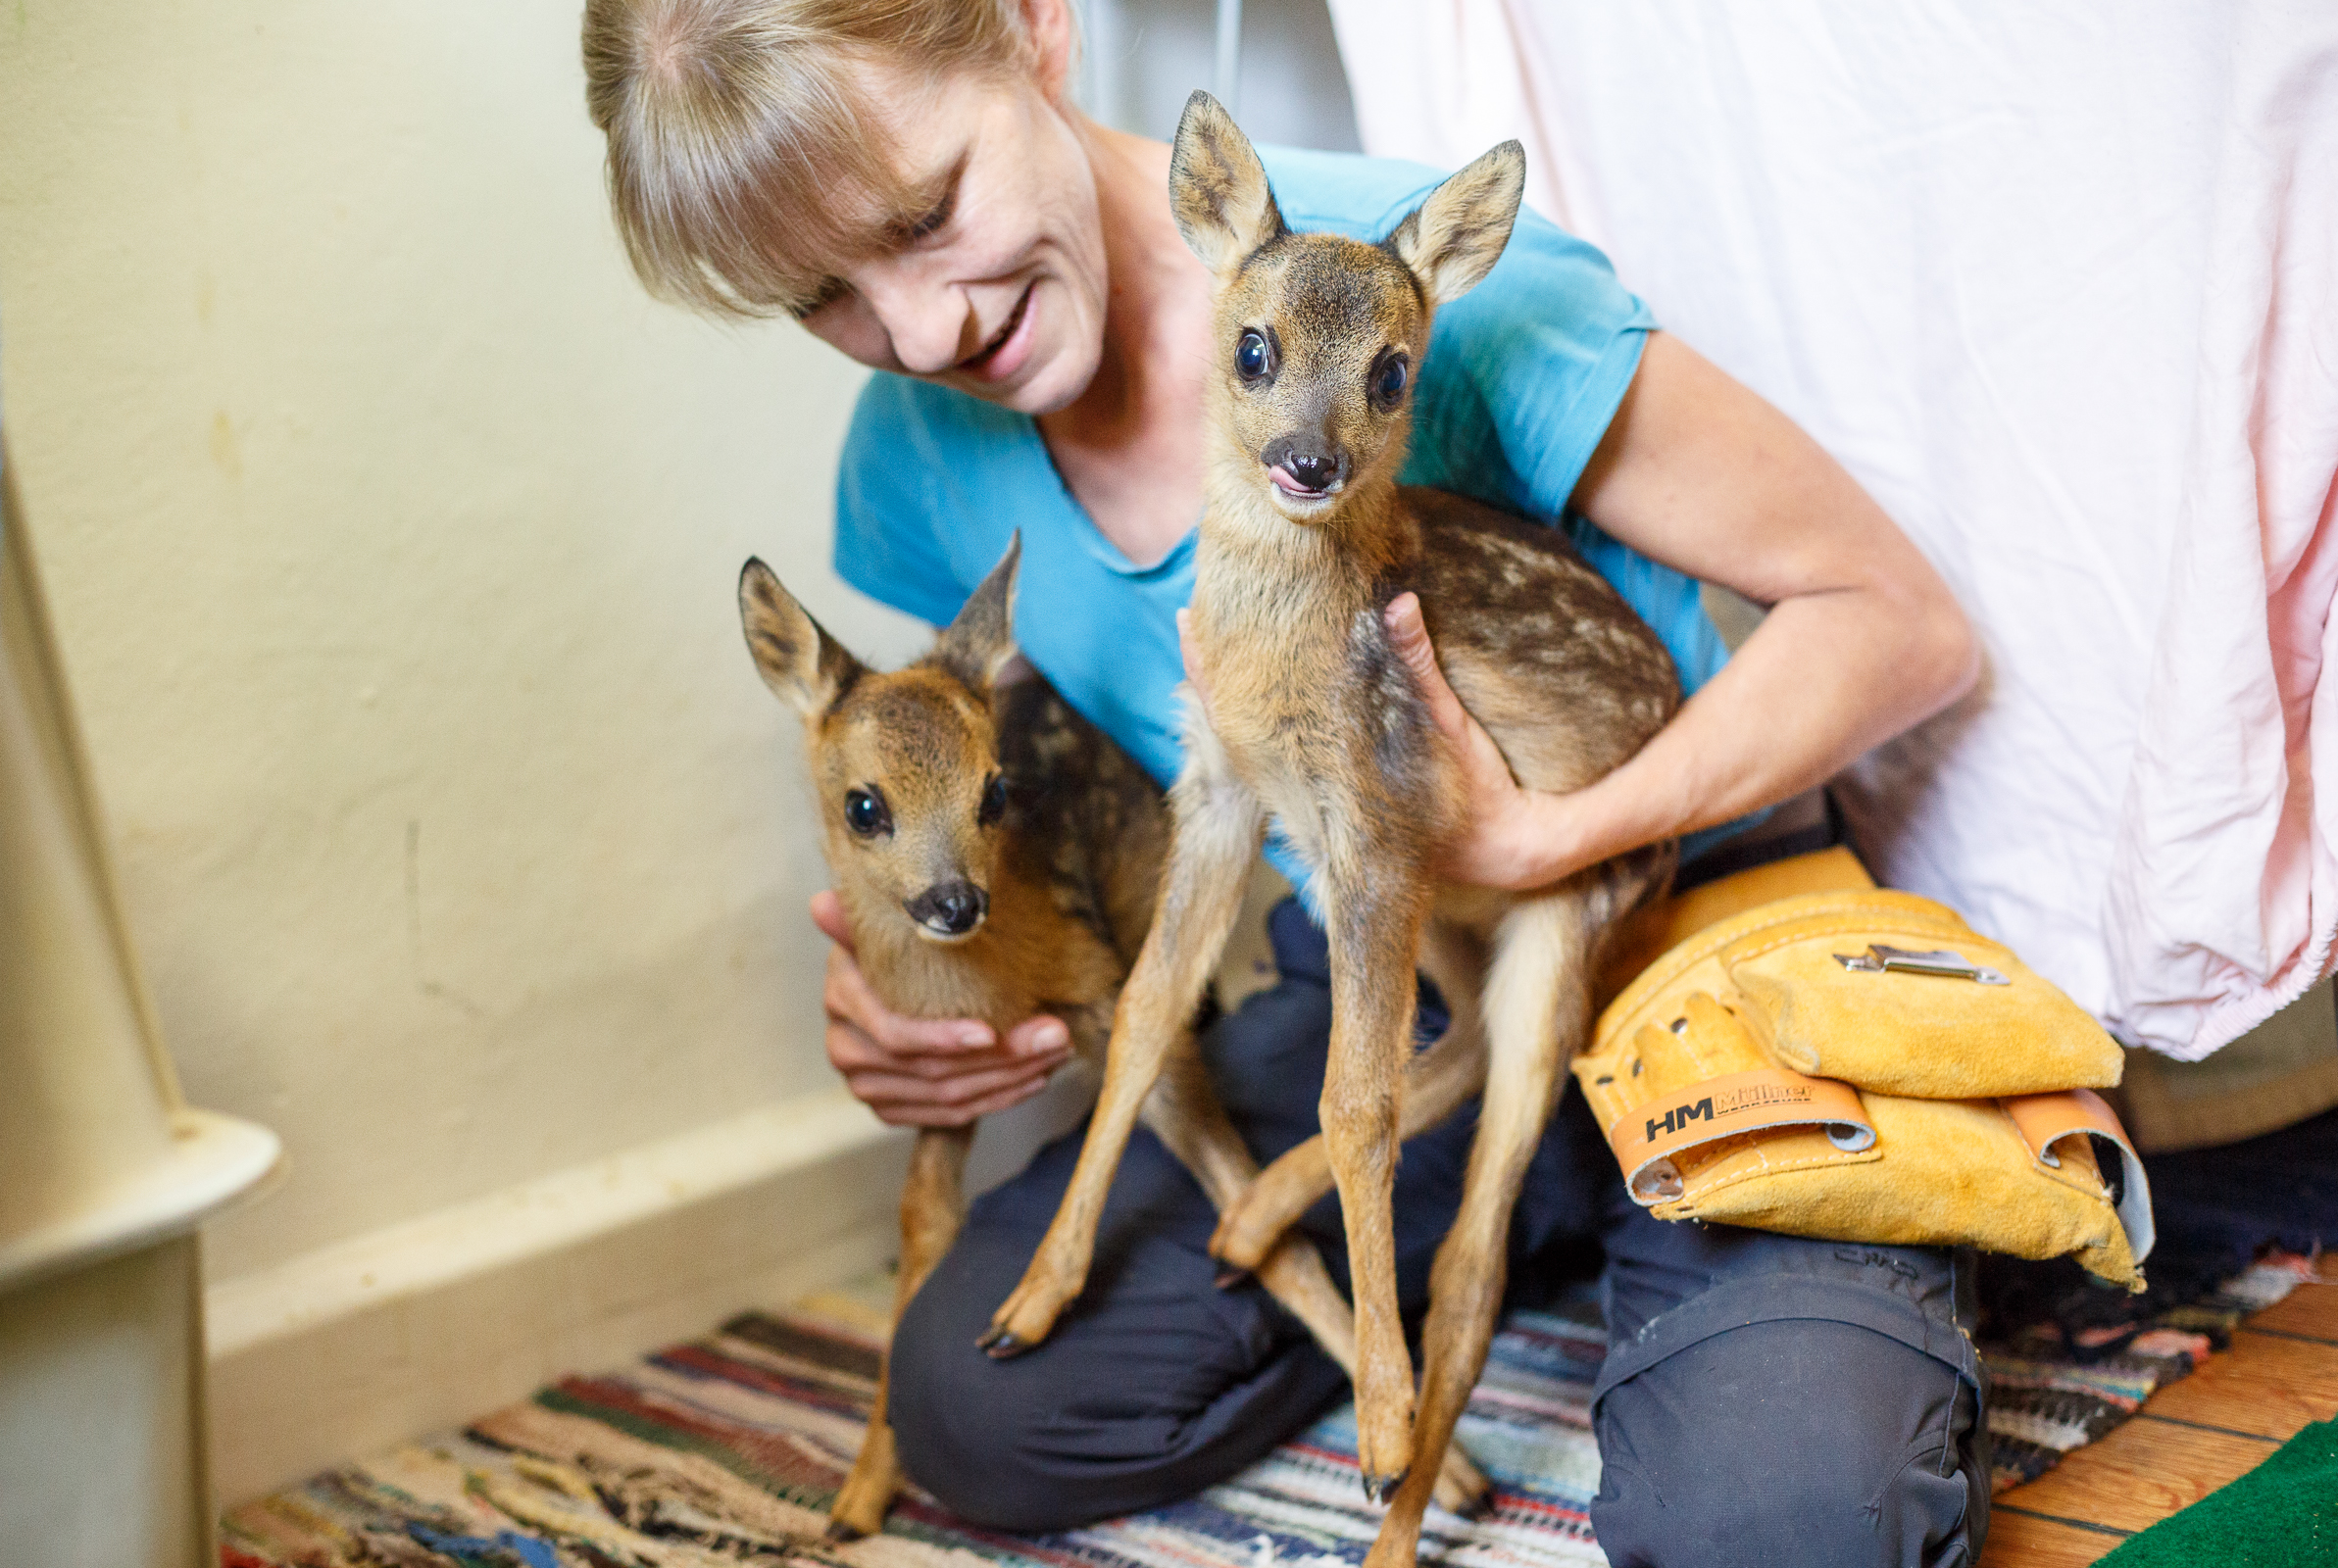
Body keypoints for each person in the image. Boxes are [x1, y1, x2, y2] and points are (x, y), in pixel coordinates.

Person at [583, 2, 1986, 1563]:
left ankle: (1706, 1274)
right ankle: (1522, 1241)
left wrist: (1550, 834)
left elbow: (1899, 626)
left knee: (1796, 1518)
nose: (919, 332)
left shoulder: (1458, 300)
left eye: (925, 214)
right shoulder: (915, 451)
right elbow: (1019, 781)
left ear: (1036, 27)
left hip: (1691, 931)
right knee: (978, 1415)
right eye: (821, 295)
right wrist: (930, 982)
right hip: (1388, 964)